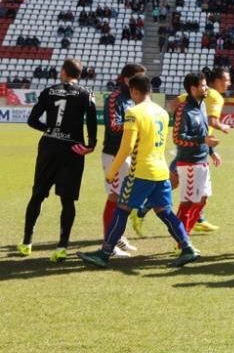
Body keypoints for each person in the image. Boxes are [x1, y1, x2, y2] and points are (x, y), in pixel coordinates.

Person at [79, 75, 199, 268]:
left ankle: (104, 254)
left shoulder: (134, 112)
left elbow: (126, 148)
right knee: (165, 212)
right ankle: (187, 248)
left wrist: (112, 171)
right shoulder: (162, 112)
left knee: (122, 209)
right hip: (160, 171)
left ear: (134, 91)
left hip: (140, 172)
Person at [18, 58, 97, 261]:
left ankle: (26, 242)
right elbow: (92, 121)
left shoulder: (48, 91)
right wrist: (91, 144)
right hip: (73, 149)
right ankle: (61, 247)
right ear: (78, 75)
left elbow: (31, 120)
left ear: (63, 71)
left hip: (49, 147)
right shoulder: (86, 93)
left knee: (37, 194)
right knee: (68, 200)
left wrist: (51, 130)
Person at [101, 62, 146, 256]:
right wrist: (135, 126)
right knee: (115, 197)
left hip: (129, 155)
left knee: (124, 198)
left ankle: (119, 238)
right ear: (127, 80)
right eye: (139, 78)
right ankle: (108, 244)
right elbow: (113, 125)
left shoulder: (133, 99)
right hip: (114, 154)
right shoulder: (115, 99)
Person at [172, 72, 221, 237]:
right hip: (189, 163)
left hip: (202, 161)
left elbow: (205, 132)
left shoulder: (202, 106)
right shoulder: (183, 110)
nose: (206, 87)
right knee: (188, 202)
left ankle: (184, 234)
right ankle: (181, 240)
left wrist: (212, 152)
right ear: (193, 89)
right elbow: (178, 138)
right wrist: (202, 140)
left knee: (202, 199)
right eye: (203, 85)